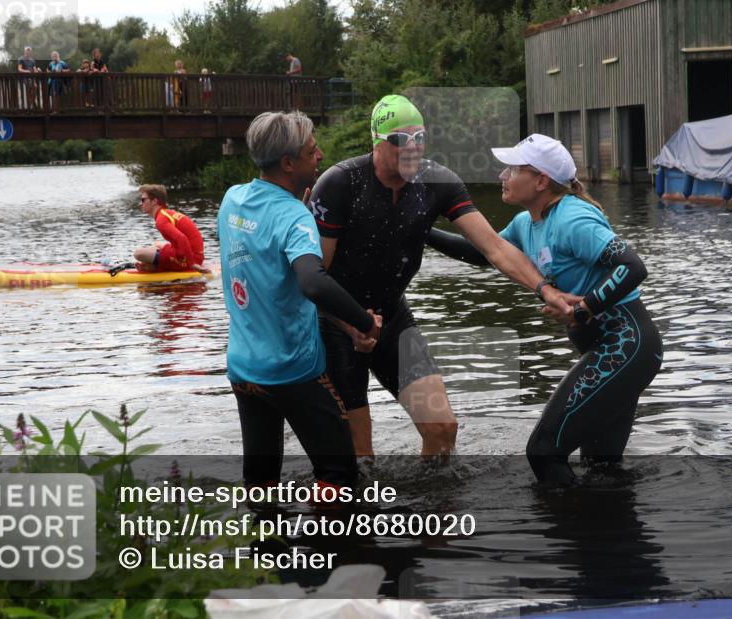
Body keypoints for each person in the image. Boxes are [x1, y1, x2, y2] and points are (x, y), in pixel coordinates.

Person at [308, 95, 573, 459]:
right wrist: (351, 322)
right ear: (376, 142)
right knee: (359, 452)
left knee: (442, 429)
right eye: (401, 140)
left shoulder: (437, 182)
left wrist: (545, 290)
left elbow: (493, 248)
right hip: (336, 323)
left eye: (420, 137)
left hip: (392, 316)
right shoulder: (340, 183)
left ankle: (433, 506)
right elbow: (314, 276)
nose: (413, 147)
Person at [426, 134, 663, 485]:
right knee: (602, 469)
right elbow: (482, 253)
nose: (502, 177)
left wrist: (584, 309)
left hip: (626, 347)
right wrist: (421, 231)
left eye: (512, 169)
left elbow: (632, 267)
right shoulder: (527, 223)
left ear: (540, 181)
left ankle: (562, 531)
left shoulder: (572, 219)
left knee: (543, 452)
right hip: (609, 352)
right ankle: (607, 533)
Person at [218, 110, 382, 493]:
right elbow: (312, 282)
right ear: (289, 163)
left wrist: (295, 212)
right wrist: (363, 321)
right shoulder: (294, 217)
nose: (321, 155)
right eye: (312, 151)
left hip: (243, 369)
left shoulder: (232, 201)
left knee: (261, 481)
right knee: (340, 477)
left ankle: (262, 549)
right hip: (291, 371)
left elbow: (262, 259)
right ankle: (335, 547)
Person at [134, 184, 208, 273]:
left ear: (154, 201)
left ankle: (154, 267)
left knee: (138, 254)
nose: (140, 203)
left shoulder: (161, 221)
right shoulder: (165, 213)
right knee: (156, 244)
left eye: (143, 200)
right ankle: (155, 265)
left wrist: (192, 264)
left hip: (190, 259)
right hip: (194, 254)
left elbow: (182, 238)